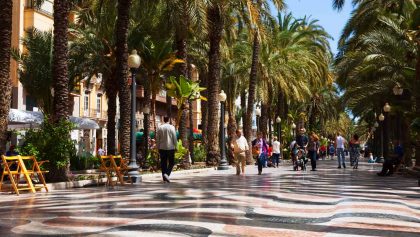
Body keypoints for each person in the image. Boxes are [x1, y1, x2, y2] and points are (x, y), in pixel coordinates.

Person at [156, 116, 177, 183]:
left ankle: (164, 178)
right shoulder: (172, 127)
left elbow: (158, 139)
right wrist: (176, 146)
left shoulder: (160, 128)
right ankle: (167, 174)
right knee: (171, 163)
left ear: (163, 120)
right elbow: (174, 138)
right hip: (171, 148)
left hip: (162, 148)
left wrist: (157, 147)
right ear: (169, 120)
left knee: (163, 163)